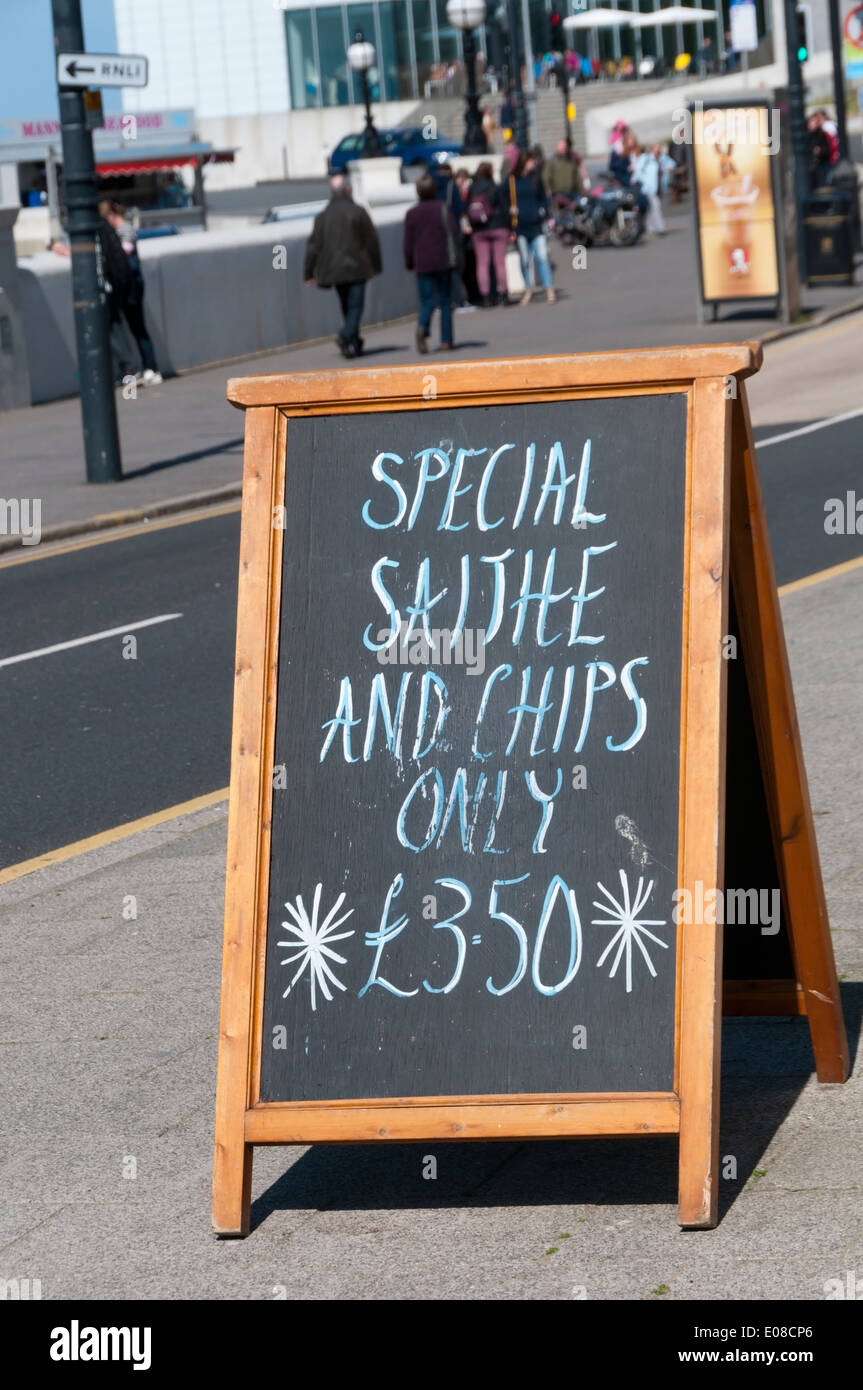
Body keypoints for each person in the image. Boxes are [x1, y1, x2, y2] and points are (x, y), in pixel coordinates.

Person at [303, 173, 382, 358]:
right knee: (356, 307)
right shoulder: (358, 212)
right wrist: (376, 265)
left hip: (333, 270)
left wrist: (308, 272)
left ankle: (354, 344)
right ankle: (345, 336)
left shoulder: (322, 217)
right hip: (357, 268)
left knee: (347, 307)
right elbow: (371, 241)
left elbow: (313, 246)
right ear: (348, 190)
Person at [100, 200, 163, 385]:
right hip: (125, 285)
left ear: (111, 215)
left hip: (131, 287)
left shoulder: (125, 229)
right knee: (131, 327)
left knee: (137, 327)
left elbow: (124, 253)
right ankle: (138, 369)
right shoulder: (119, 231)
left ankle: (150, 367)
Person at [404, 174, 460, 352]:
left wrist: (409, 261)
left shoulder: (411, 213)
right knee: (445, 301)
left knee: (427, 300)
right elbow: (454, 232)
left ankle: (423, 325)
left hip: (422, 262)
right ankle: (446, 340)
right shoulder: (443, 208)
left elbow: (408, 243)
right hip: (443, 260)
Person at [506, 149, 555, 306]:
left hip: (535, 224)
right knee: (525, 260)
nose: (534, 163)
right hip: (520, 225)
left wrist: (543, 212)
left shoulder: (536, 178)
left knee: (542, 257)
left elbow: (543, 198)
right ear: (524, 162)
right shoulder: (512, 180)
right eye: (531, 161)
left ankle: (549, 288)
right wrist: (510, 209)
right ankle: (528, 288)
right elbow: (503, 197)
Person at [467, 161, 511, 306]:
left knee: (482, 264)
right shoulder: (494, 187)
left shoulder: (472, 189)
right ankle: (503, 294)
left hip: (479, 230)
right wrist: (510, 228)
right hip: (498, 227)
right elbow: (505, 208)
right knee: (499, 263)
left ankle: (485, 297)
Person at [632, 143, 666, 235]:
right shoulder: (646, 158)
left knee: (651, 208)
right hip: (648, 188)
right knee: (656, 206)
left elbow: (671, 164)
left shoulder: (660, 159)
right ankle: (660, 228)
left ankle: (650, 229)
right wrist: (646, 182)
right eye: (657, 147)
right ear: (652, 149)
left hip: (658, 188)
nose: (658, 149)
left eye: (659, 147)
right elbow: (638, 172)